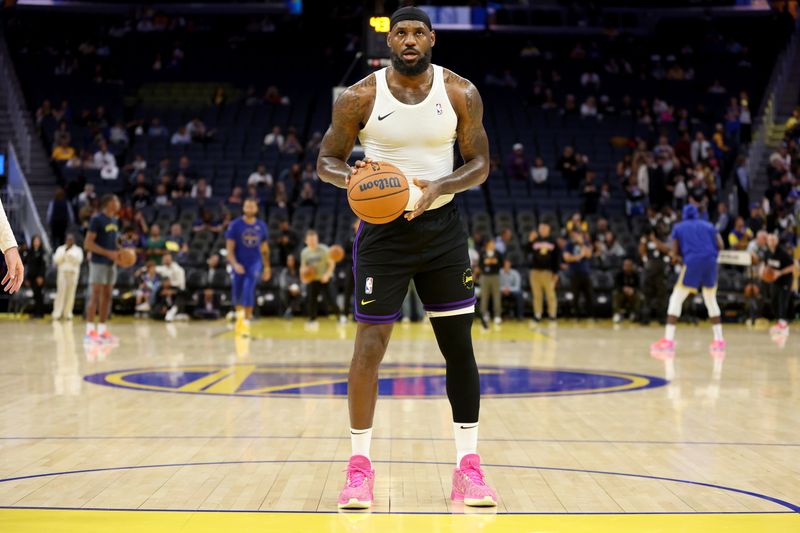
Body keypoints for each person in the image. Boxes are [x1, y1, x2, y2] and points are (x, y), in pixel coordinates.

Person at [317, 6, 496, 509]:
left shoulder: (460, 92)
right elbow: (325, 160)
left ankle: (469, 467)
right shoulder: (360, 97)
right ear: (390, 41)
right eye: (402, 33)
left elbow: (480, 163)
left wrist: (441, 183)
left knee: (458, 347)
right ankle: (358, 469)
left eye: (419, 32)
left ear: (432, 38)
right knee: (368, 350)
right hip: (383, 233)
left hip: (442, 230)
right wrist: (349, 177)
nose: (410, 40)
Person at [651, 204, 725, 355]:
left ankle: (668, 340)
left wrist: (677, 257)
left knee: (676, 299)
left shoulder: (679, 227)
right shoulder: (709, 225)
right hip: (711, 262)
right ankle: (719, 341)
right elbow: (721, 245)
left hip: (693, 262)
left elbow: (675, 252)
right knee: (711, 300)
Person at [225, 198, 271, 337]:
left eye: (252, 206)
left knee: (249, 285)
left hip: (255, 262)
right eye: (247, 206)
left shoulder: (261, 226)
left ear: (256, 209)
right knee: (237, 290)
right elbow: (229, 250)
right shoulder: (235, 225)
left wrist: (267, 267)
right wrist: (234, 264)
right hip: (239, 262)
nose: (250, 208)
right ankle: (240, 318)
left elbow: (264, 249)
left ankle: (247, 319)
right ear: (243, 208)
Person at [83, 194, 121, 344]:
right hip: (98, 262)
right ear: (109, 203)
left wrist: (120, 252)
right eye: (116, 200)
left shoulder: (115, 220)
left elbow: (112, 242)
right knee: (95, 295)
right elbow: (88, 244)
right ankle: (90, 331)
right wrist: (108, 253)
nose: (118, 203)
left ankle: (102, 330)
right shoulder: (96, 219)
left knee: (107, 296)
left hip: (111, 263)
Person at [300, 229, 340, 325]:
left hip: (324, 279)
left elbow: (331, 263)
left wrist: (327, 275)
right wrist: (303, 277)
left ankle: (340, 316)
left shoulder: (324, 249)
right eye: (311, 240)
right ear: (306, 241)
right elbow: (303, 267)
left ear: (317, 239)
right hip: (312, 279)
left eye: (314, 240)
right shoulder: (304, 252)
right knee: (311, 300)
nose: (313, 242)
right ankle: (312, 319)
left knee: (331, 299)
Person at [763, 233, 795, 337]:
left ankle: (783, 323)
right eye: (770, 240)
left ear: (777, 241)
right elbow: (767, 265)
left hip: (785, 280)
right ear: (767, 241)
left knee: (783, 301)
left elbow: (793, 266)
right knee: (773, 301)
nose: (771, 241)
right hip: (775, 281)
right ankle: (779, 322)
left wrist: (780, 273)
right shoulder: (767, 252)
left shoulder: (782, 252)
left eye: (773, 239)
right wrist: (765, 272)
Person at [527, 223, 559, 322]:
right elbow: (526, 251)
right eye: (540, 228)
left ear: (548, 229)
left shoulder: (553, 242)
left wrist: (555, 272)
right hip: (535, 271)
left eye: (544, 228)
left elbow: (556, 258)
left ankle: (552, 315)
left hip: (548, 272)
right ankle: (537, 315)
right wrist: (530, 240)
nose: (541, 229)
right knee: (537, 295)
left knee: (550, 294)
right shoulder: (535, 240)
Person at [51, 233, 83, 320]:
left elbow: (79, 260)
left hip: (73, 274)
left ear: (74, 240)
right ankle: (57, 313)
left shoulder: (78, 250)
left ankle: (68, 313)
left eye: (71, 239)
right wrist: (65, 253)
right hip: (63, 274)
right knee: (60, 294)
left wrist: (70, 256)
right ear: (66, 240)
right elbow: (56, 260)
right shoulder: (61, 249)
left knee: (71, 294)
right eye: (68, 239)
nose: (70, 241)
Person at [563, 230, 594, 319]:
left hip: (585, 272)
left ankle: (590, 315)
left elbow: (589, 254)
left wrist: (581, 244)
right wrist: (580, 256)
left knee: (589, 295)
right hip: (574, 273)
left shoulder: (586, 243)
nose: (576, 237)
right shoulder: (569, 244)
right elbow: (567, 258)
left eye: (578, 235)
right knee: (575, 296)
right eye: (574, 235)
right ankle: (577, 316)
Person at [478, 240, 503, 325]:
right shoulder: (482, 253)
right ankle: (484, 315)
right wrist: (486, 263)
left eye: (494, 244)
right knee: (484, 296)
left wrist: (495, 263)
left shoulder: (498, 253)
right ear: (487, 245)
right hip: (485, 276)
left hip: (495, 276)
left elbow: (502, 264)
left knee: (497, 296)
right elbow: (480, 264)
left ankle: (497, 315)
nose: (493, 245)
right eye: (491, 244)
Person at [24, 235, 47, 318]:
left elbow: (43, 266)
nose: (36, 242)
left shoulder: (42, 252)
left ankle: (40, 313)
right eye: (35, 241)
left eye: (38, 241)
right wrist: (27, 278)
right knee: (35, 295)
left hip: (39, 277)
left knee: (39, 295)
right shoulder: (30, 252)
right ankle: (35, 312)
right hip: (31, 277)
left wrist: (41, 276)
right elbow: (27, 265)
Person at [613, 258, 641, 323]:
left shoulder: (635, 274)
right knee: (615, 294)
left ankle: (635, 313)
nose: (627, 267)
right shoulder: (619, 274)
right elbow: (616, 286)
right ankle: (617, 314)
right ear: (623, 266)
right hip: (621, 292)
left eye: (629, 265)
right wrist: (623, 289)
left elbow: (639, 286)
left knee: (638, 295)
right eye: (626, 265)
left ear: (632, 266)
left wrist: (632, 290)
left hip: (632, 293)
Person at [278, 254, 302, 318]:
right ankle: (290, 310)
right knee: (283, 292)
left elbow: (303, 282)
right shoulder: (284, 271)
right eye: (288, 260)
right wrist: (290, 288)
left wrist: (298, 289)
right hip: (288, 290)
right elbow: (282, 283)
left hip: (298, 291)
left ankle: (289, 310)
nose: (290, 262)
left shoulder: (300, 271)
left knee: (302, 294)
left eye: (291, 260)